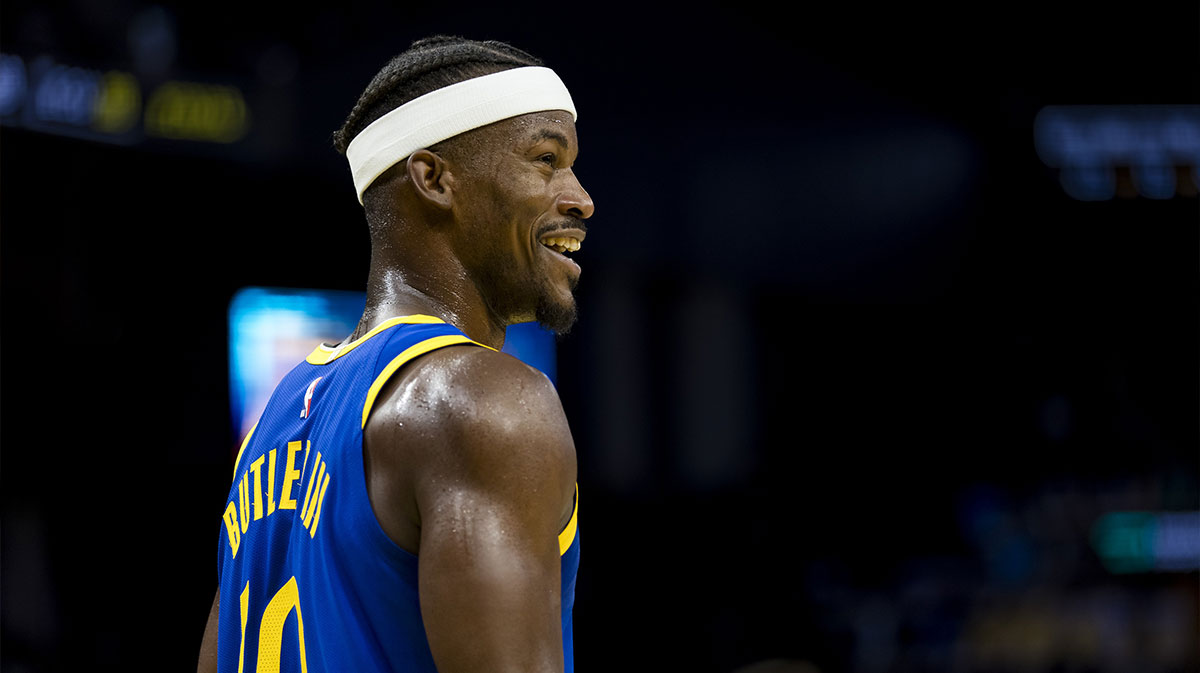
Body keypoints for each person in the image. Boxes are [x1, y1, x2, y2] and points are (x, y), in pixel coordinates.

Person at [196, 35, 593, 673]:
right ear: (434, 179)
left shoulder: (270, 425)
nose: (580, 198)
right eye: (546, 160)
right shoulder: (483, 396)